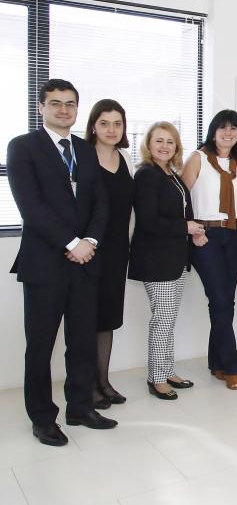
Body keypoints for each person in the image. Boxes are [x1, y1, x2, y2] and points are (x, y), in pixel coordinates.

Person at [7, 79, 117, 446]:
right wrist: (72, 243)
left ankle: (80, 407)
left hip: (85, 262)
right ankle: (42, 418)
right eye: (55, 103)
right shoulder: (23, 147)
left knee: (82, 341)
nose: (64, 110)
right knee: (40, 347)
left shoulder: (85, 149)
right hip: (45, 264)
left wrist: (90, 242)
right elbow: (31, 206)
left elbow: (100, 202)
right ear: (41, 107)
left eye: (70, 104)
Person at [129, 122, 203, 400]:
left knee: (168, 319)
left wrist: (193, 231)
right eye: (158, 141)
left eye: (170, 141)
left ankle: (167, 370)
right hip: (157, 260)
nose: (164, 146)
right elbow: (148, 220)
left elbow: (181, 209)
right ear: (148, 145)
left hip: (174, 258)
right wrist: (186, 228)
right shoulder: (147, 174)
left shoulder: (170, 173)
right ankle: (157, 378)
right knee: (162, 320)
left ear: (176, 147)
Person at [181, 110, 237, 390]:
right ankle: (232, 365)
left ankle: (216, 362)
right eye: (223, 127)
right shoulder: (198, 158)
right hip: (205, 235)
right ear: (213, 131)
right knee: (220, 299)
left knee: (224, 301)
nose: (228, 133)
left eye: (233, 128)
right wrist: (191, 230)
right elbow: (180, 196)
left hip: (235, 234)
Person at [86, 99, 134, 409]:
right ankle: (87, 386)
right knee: (86, 318)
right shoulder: (82, 155)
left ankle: (103, 381)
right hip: (88, 249)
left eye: (117, 123)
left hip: (117, 249)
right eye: (104, 123)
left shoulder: (125, 158)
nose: (111, 129)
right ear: (93, 126)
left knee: (108, 317)